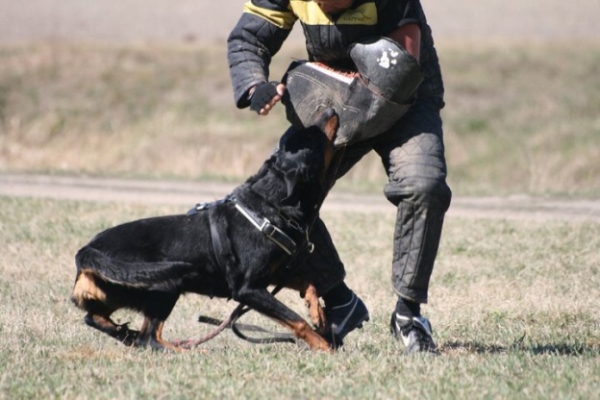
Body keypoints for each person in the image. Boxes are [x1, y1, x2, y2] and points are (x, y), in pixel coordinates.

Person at [227, 0, 451, 354]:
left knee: (424, 185)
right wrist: (256, 86)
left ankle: (409, 316)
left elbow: (399, 66)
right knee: (278, 198)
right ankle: (339, 301)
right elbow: (247, 38)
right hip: (334, 93)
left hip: (406, 95)